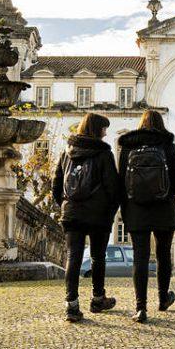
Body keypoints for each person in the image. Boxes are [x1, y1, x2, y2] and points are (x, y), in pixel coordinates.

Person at [117, 109, 175, 323]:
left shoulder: (128, 146)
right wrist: (169, 194)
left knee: (140, 258)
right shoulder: (168, 145)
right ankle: (163, 299)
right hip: (164, 207)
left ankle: (140, 307)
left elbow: (121, 181)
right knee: (164, 255)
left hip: (136, 209)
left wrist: (126, 206)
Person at [51, 113, 120, 322]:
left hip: (72, 213)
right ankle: (98, 299)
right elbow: (113, 188)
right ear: (97, 130)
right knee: (98, 258)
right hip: (98, 215)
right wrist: (110, 213)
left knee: (73, 257)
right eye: (104, 129)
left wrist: (65, 206)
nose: (105, 133)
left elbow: (56, 185)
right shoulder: (104, 153)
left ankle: (71, 305)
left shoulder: (67, 152)